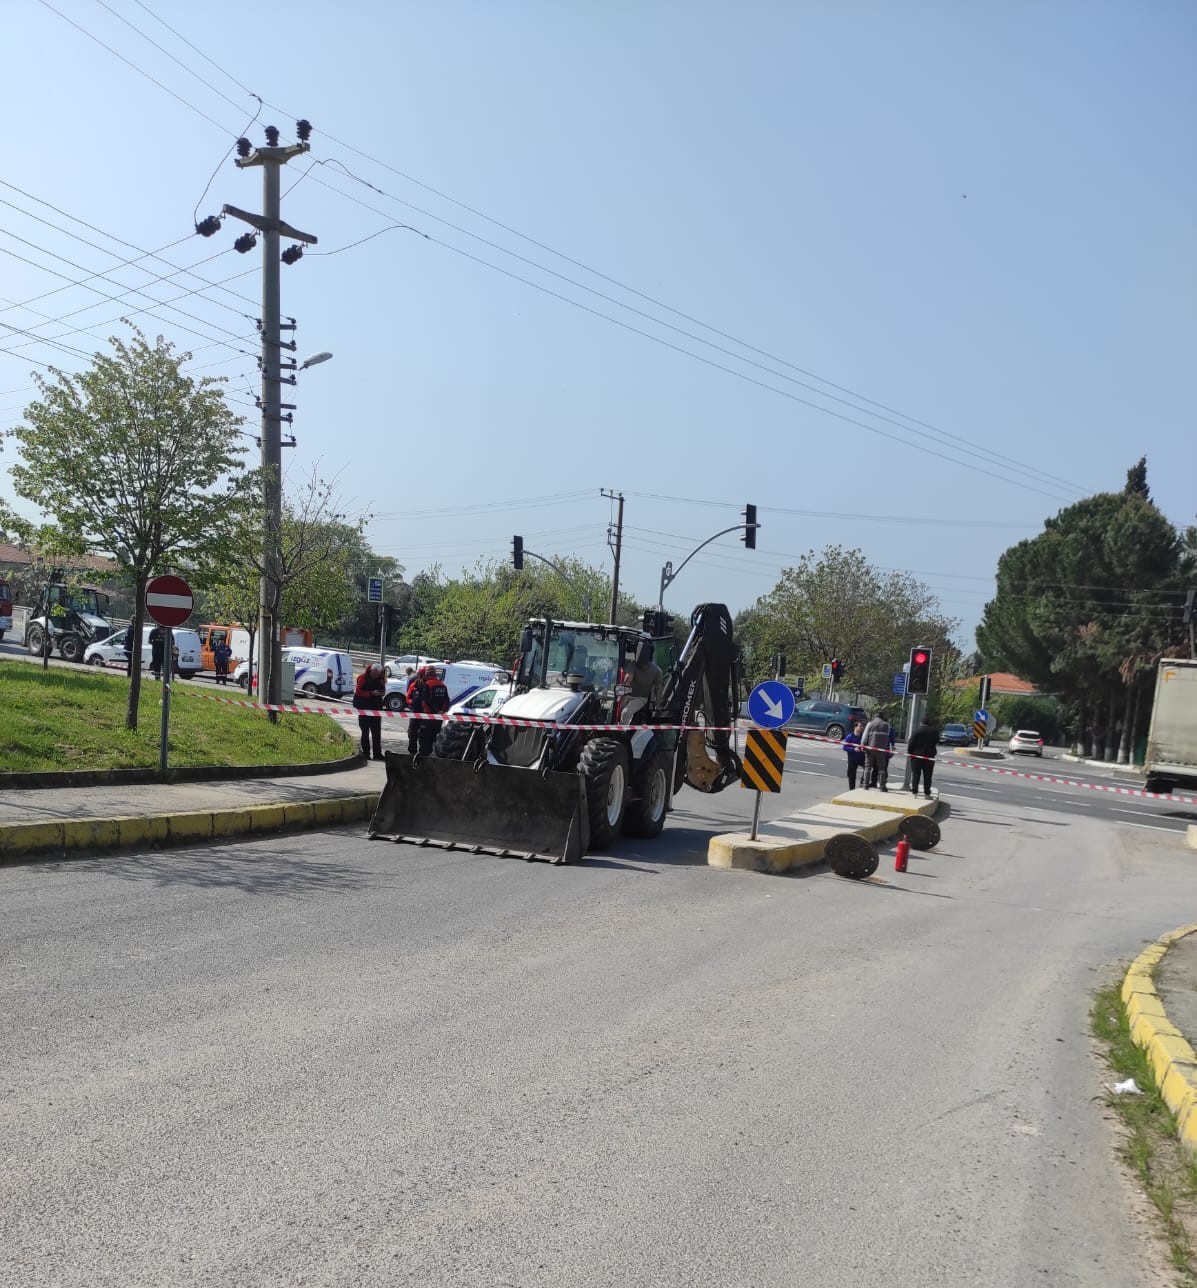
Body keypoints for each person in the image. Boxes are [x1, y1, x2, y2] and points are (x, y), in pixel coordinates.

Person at [353, 663, 386, 760]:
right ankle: (366, 753)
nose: (376, 676)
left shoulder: (380, 679)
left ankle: (377, 754)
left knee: (376, 732)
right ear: (371, 671)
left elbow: (383, 690)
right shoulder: (362, 678)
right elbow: (358, 691)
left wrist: (381, 693)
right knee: (365, 731)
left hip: (376, 709)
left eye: (378, 674)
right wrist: (371, 693)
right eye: (374, 674)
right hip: (364, 708)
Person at [418, 666, 451, 756]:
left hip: (428, 715)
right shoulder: (443, 685)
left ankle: (423, 755)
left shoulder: (427, 685)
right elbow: (447, 701)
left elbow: (426, 700)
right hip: (439, 717)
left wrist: (434, 711)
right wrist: (442, 711)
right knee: (435, 736)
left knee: (424, 736)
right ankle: (433, 755)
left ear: (427, 674)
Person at [907, 716, 939, 798]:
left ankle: (915, 792)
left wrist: (910, 753)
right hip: (929, 756)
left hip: (916, 756)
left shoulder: (917, 731)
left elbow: (911, 743)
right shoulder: (934, 731)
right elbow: (937, 741)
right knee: (928, 776)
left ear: (921, 723)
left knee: (916, 775)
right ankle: (927, 793)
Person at [862, 712, 892, 791]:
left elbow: (865, 736)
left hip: (870, 748)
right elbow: (888, 738)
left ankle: (866, 785)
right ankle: (882, 786)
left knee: (868, 767)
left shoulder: (870, 724)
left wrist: (863, 745)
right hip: (881, 750)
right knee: (881, 768)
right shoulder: (887, 725)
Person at [843, 721, 866, 791]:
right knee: (851, 775)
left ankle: (862, 781)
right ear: (855, 727)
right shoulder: (849, 737)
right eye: (860, 726)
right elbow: (844, 747)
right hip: (852, 759)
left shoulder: (863, 737)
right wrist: (853, 749)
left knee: (868, 767)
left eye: (862, 726)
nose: (862, 728)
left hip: (861, 758)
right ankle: (851, 790)